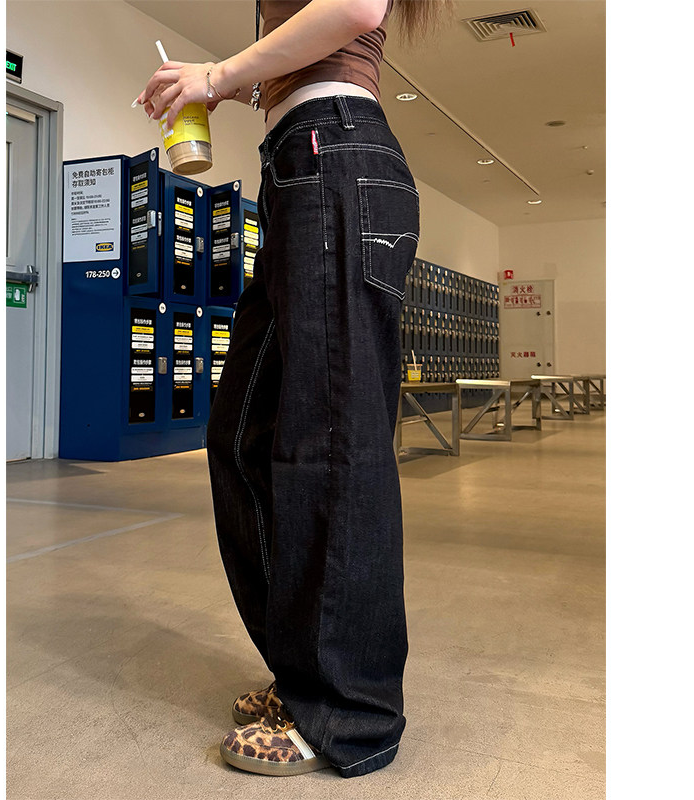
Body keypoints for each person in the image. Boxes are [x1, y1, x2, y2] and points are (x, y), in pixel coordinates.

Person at [139, 0, 451, 779]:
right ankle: (305, 669)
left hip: (334, 156)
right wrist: (235, 86)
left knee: (333, 446)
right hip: (300, 168)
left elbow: (354, 7)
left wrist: (218, 73)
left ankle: (351, 713)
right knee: (243, 434)